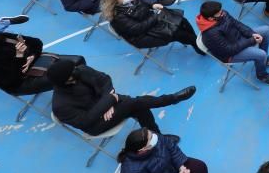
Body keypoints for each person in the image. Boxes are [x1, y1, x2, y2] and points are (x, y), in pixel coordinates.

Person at [48, 59, 194, 137]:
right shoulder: (60, 105)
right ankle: (172, 100)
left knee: (137, 106)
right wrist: (110, 100)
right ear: (67, 79)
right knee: (133, 104)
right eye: (73, 71)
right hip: (96, 124)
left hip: (108, 103)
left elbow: (104, 79)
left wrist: (108, 102)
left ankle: (158, 137)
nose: (77, 70)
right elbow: (85, 121)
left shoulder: (80, 71)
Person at [0, 23, 85, 95]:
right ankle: (80, 94)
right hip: (21, 82)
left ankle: (82, 88)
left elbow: (36, 43)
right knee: (69, 74)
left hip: (35, 62)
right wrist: (19, 57)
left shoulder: (4, 37)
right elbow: (10, 80)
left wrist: (32, 55)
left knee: (78, 60)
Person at [100, 0, 206, 55]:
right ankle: (198, 44)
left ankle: (195, 42)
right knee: (178, 33)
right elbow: (137, 29)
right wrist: (155, 17)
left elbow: (144, 5)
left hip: (152, 21)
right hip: (142, 36)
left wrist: (152, 6)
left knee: (182, 20)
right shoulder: (117, 17)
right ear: (115, 4)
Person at [195, 1, 269, 83]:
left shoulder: (221, 14)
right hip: (230, 54)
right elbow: (229, 50)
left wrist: (252, 34)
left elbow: (237, 24)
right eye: (220, 13)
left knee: (266, 30)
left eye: (221, 11)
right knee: (261, 54)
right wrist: (251, 40)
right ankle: (261, 75)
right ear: (211, 18)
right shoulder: (210, 34)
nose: (223, 13)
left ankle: (264, 60)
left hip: (239, 39)